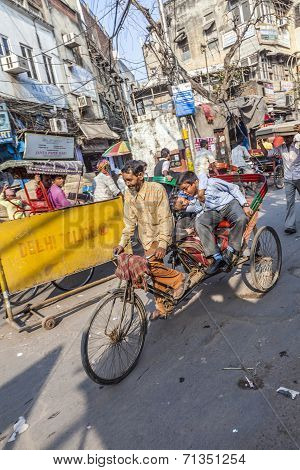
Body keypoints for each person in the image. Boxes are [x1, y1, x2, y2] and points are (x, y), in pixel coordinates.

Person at [114, 160, 193, 321]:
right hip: (147, 238)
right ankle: (162, 307)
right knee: (154, 271)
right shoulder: (129, 194)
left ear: (140, 176)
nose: (127, 184)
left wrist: (163, 243)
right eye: (125, 181)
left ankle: (179, 279)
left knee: (151, 265)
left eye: (129, 180)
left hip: (163, 234)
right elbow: (129, 223)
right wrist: (122, 243)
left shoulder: (157, 189)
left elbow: (165, 218)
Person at [178, 172, 252, 275]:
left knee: (241, 219)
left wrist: (245, 204)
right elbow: (197, 208)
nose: (184, 192)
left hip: (229, 204)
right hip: (214, 211)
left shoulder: (212, 183)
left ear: (195, 183)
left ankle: (232, 249)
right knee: (200, 223)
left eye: (186, 188)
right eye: (182, 190)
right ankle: (217, 257)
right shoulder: (194, 196)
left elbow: (233, 188)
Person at [261, 133, 300, 234]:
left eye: (289, 137)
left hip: (299, 177)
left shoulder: (297, 146)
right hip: (288, 179)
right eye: (285, 137)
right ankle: (290, 226)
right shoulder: (281, 148)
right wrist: (261, 145)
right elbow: (267, 154)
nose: (287, 139)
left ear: (292, 137)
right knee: (289, 203)